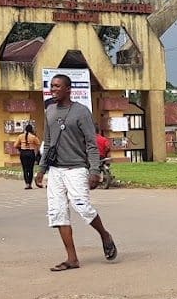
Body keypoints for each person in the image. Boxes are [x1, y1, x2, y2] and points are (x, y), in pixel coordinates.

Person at [34, 73, 117, 271]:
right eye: (51, 86)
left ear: (68, 89)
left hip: (76, 168)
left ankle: (104, 235)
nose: (53, 89)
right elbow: (48, 143)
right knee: (58, 213)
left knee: (83, 208)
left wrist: (94, 171)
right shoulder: (50, 111)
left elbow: (91, 144)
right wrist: (41, 169)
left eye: (57, 86)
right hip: (55, 170)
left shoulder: (81, 112)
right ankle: (72, 259)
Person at [17, 124, 41, 189]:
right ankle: (30, 184)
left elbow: (15, 145)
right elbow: (38, 143)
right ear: (31, 130)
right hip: (31, 153)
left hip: (23, 153)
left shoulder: (20, 136)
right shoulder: (33, 137)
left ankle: (27, 183)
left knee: (25, 169)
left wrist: (22, 145)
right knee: (30, 169)